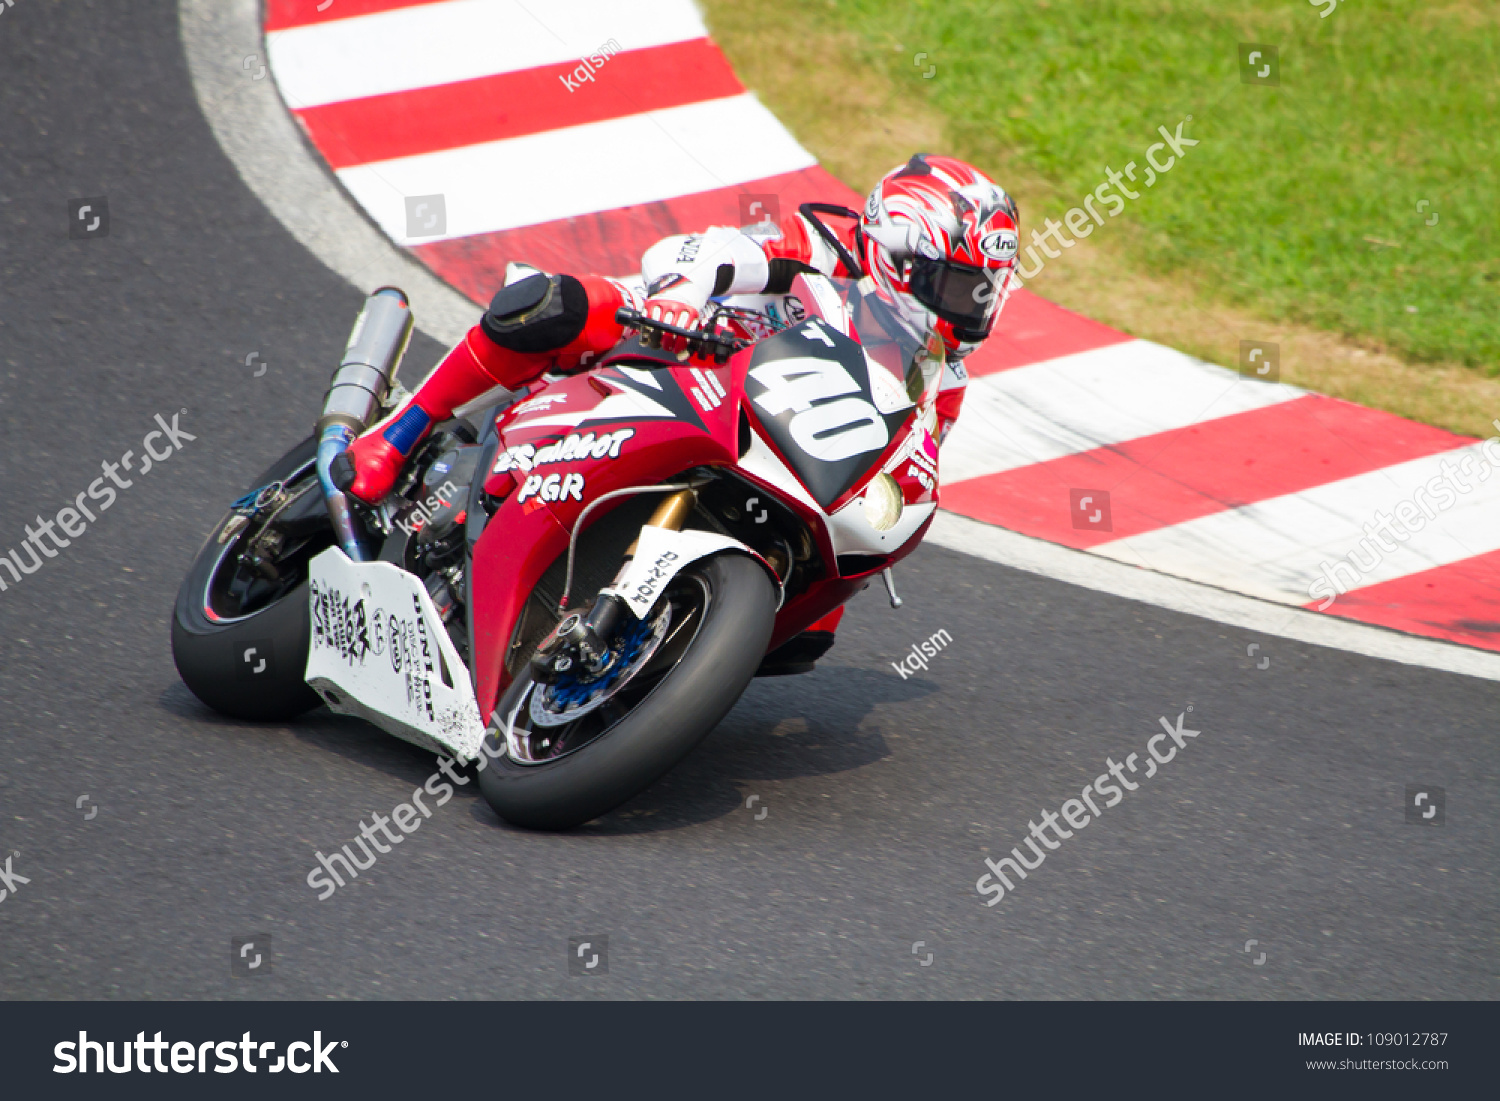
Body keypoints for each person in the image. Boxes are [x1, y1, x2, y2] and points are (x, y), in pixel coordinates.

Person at [335, 154, 1020, 670]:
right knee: (556, 304)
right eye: (960, 286)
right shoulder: (824, 248)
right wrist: (679, 299)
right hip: (676, 351)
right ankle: (399, 436)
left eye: (984, 292)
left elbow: (902, 455)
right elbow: (714, 255)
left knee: (808, 635)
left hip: (772, 448)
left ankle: (657, 646)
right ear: (902, 257)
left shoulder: (941, 373)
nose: (972, 309)